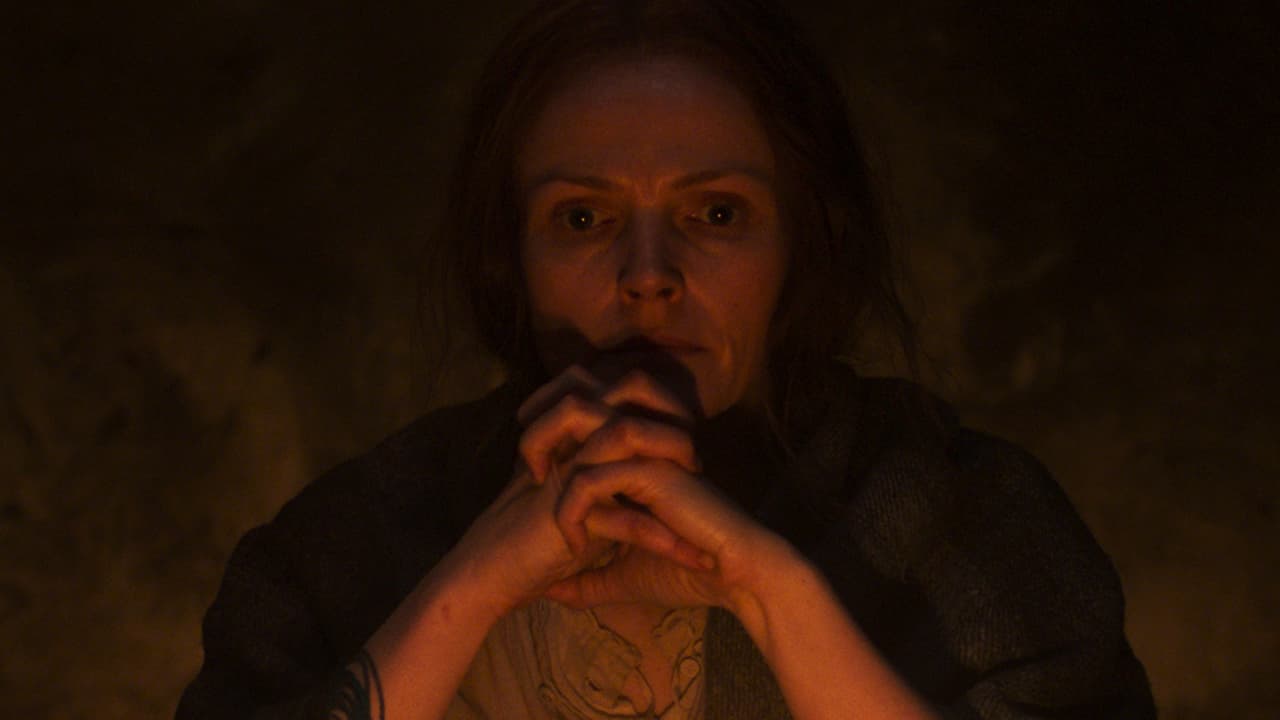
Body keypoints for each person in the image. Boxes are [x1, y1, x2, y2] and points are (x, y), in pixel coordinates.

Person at [177, 1, 1156, 718]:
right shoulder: (344, 549)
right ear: (508, 254)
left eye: (716, 213)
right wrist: (467, 590)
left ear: (803, 238)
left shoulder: (965, 525)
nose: (648, 275)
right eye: (582, 218)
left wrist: (775, 595)